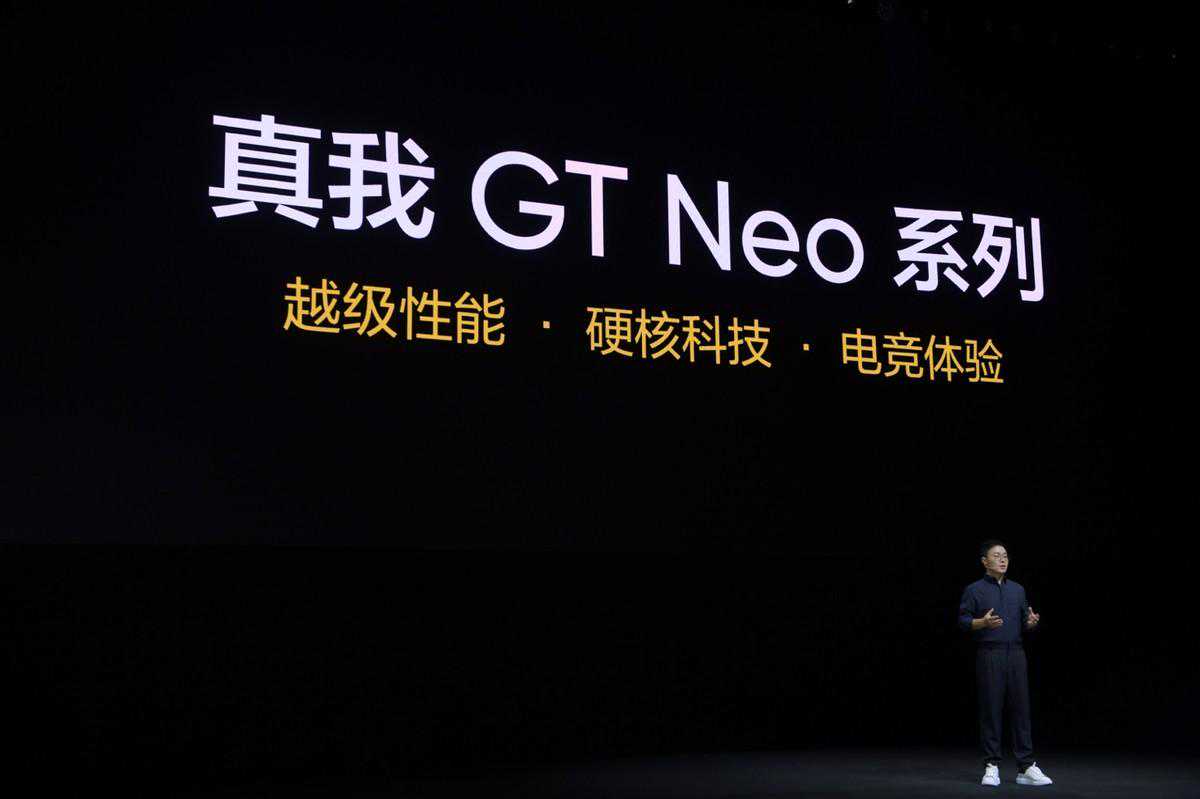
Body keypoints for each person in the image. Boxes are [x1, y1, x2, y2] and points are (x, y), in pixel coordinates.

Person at [958, 540, 1053, 787]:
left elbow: (1024, 621)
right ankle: (991, 765)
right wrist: (982, 623)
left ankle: (1026, 767)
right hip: (990, 653)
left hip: (1016, 654)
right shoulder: (974, 590)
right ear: (985, 561)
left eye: (1006, 556)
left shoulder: (1018, 590)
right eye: (997, 555)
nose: (1003, 560)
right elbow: (963, 621)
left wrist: (1030, 623)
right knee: (991, 709)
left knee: (1021, 709)